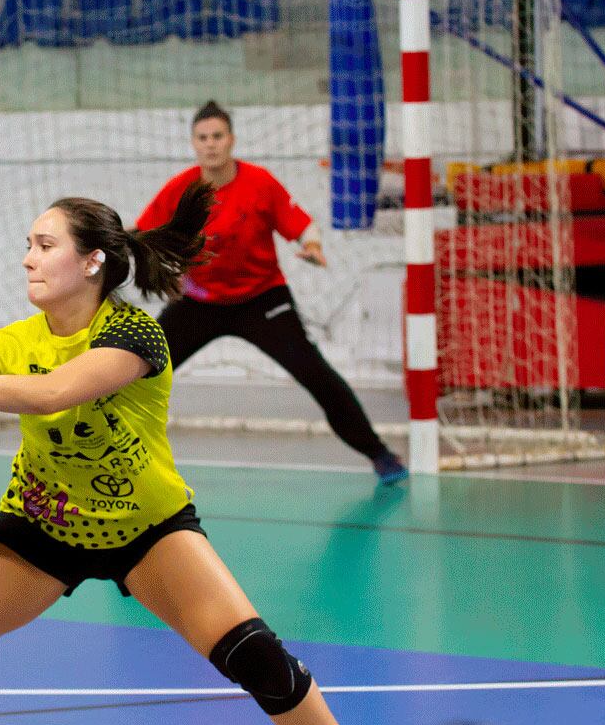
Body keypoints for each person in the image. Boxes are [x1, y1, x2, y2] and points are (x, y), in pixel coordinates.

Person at [0, 181, 341, 725]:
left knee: (257, 658)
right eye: (28, 245)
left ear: (92, 262)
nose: (27, 260)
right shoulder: (9, 343)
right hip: (41, 530)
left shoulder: (135, 334)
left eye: (45, 246)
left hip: (148, 530)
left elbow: (53, 393)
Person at [137, 100, 408, 485]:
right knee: (139, 372)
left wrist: (313, 247)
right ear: (193, 144)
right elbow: (145, 234)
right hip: (197, 303)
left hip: (262, 300)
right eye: (202, 138)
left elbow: (302, 226)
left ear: (231, 140)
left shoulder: (259, 182)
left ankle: (380, 454)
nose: (211, 144)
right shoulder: (180, 189)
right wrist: (159, 267)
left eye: (217, 136)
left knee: (317, 374)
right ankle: (102, 456)